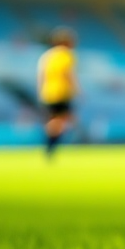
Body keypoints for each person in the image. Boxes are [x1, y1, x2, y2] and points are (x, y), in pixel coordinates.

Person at [37, 27, 78, 158]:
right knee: (62, 120)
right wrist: (76, 88)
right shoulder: (66, 54)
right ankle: (52, 145)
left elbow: (41, 75)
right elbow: (67, 74)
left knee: (57, 120)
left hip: (47, 92)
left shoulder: (47, 55)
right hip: (61, 92)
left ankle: (51, 144)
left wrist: (40, 90)